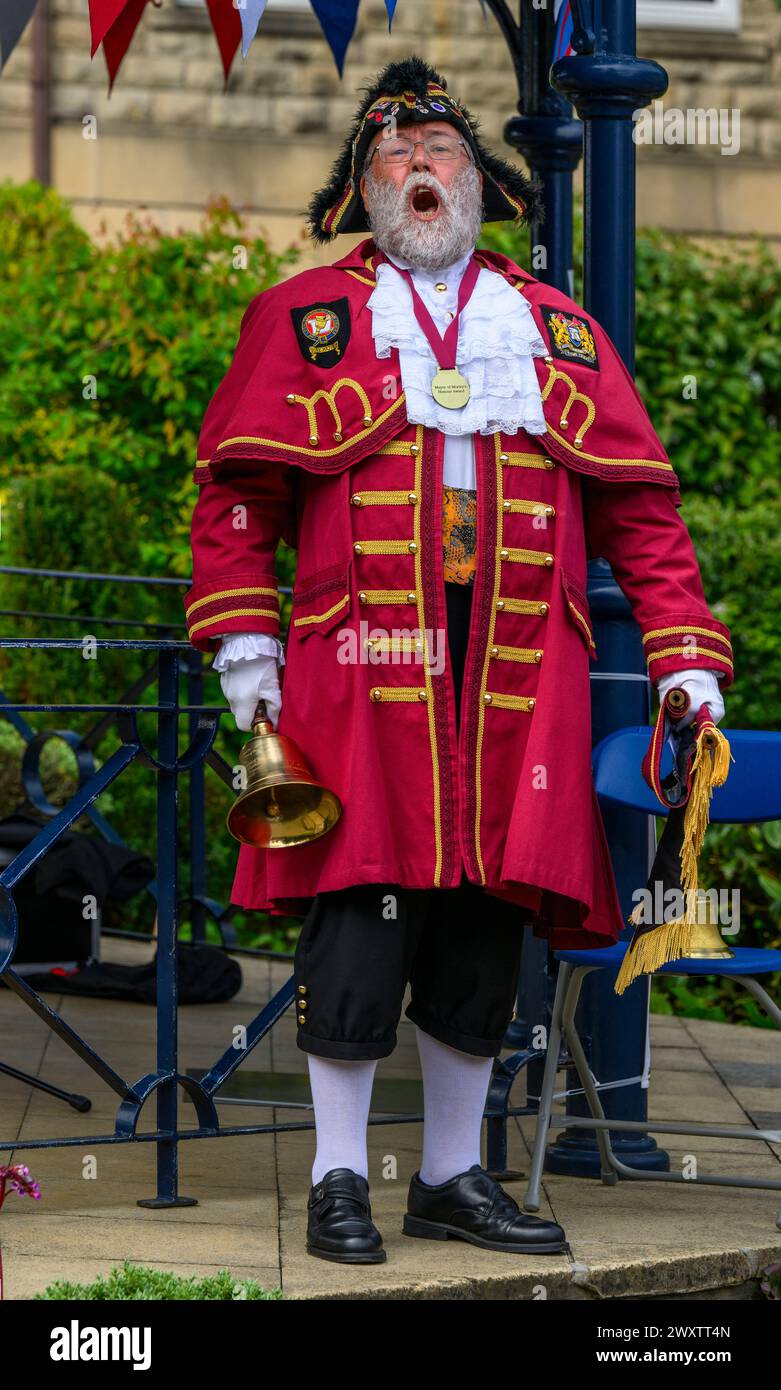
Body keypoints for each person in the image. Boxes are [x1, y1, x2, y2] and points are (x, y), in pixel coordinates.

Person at [185, 57, 733, 1264]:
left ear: (478, 185)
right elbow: (237, 499)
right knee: (359, 908)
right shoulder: (304, 319)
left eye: (437, 158)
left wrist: (687, 651)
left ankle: (450, 1175)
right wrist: (244, 636)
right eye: (393, 162)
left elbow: (643, 511)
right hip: (358, 653)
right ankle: (338, 1180)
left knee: (486, 916)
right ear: (360, 197)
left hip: (518, 663)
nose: (418, 174)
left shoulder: (553, 329)